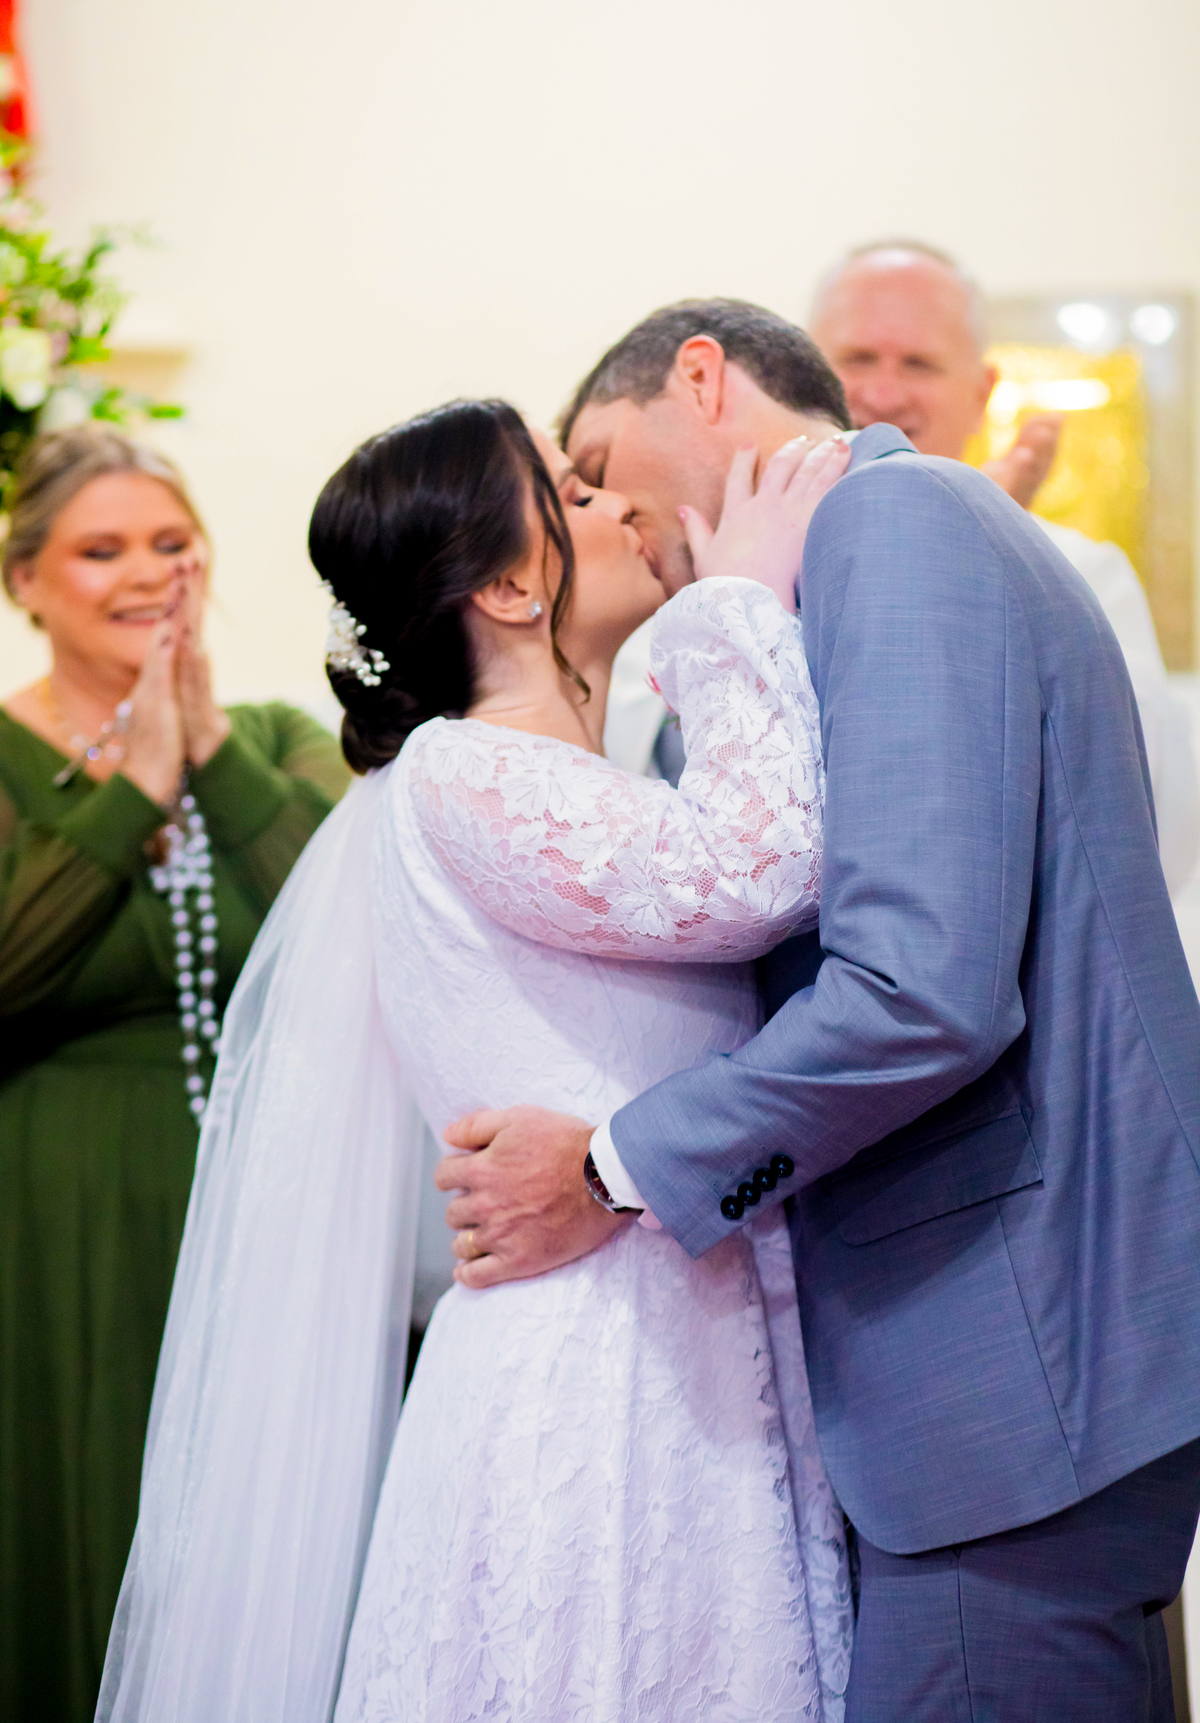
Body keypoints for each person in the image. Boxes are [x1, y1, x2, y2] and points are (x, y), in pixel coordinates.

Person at [437, 301, 1200, 1721]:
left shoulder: (890, 526)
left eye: (597, 466)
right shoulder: (845, 557)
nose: (605, 516)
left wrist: (607, 1169)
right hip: (1009, 1353)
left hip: (1009, 1351)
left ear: (702, 380)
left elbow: (918, 992)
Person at [98, 401, 855, 1722]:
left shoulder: (550, 777)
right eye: (575, 493)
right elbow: (753, 869)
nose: (617, 505)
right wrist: (735, 604)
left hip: (674, 1345)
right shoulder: (466, 771)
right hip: (595, 1379)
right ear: (509, 587)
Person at [0, 426, 349, 1723]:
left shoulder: (276, 734)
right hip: (59, 1215)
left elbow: (354, 924)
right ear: (25, 580)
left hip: (264, 1211)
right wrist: (128, 791)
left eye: (170, 542)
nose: (149, 572)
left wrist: (203, 747)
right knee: (82, 1515)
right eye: (103, 549)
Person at [810, 240, 1200, 895]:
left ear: (981, 393)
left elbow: (1144, 817)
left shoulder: (1081, 571)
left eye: (919, 363)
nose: (882, 393)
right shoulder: (741, 557)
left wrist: (988, 557)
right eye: (857, 359)